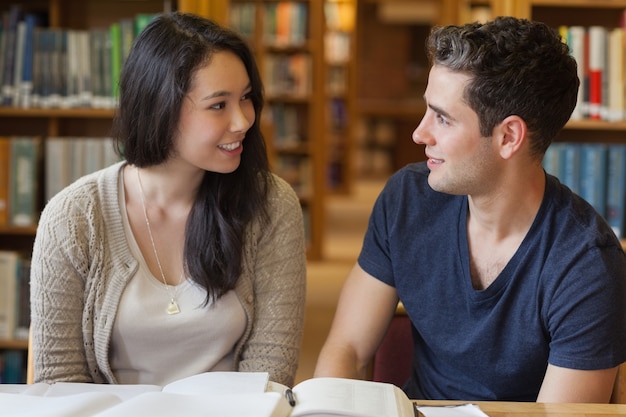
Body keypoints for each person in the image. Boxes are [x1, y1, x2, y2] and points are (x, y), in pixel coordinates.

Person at [314, 16, 626, 403]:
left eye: (442, 118)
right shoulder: (407, 199)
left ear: (508, 136)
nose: (419, 133)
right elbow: (348, 347)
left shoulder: (586, 263)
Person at [30, 12, 306, 387]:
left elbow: (270, 370)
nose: (243, 121)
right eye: (218, 105)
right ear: (160, 107)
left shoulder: (271, 205)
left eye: (245, 98)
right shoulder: (72, 218)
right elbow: (59, 381)